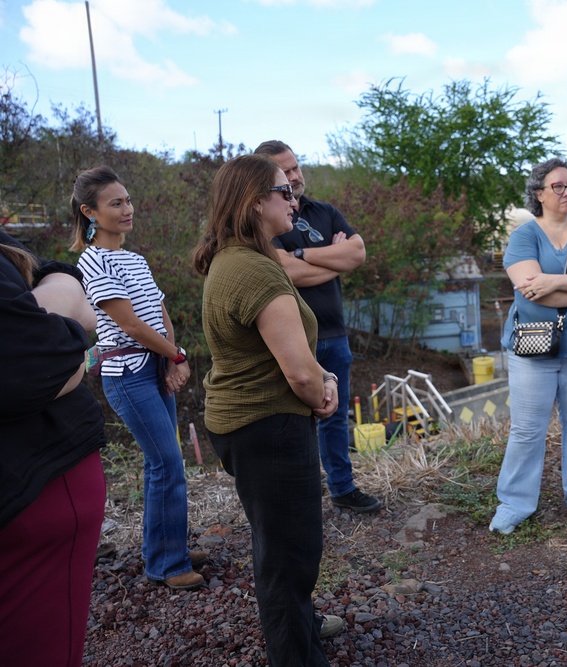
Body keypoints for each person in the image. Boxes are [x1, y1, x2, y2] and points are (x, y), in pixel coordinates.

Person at [194, 154, 344, 666]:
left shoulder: (234, 259)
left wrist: (320, 378)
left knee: (278, 549)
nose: (293, 198)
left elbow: (290, 361)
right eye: (284, 191)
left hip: (250, 424)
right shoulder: (255, 271)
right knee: (290, 559)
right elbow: (299, 372)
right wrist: (322, 391)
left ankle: (300, 638)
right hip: (269, 426)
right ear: (255, 202)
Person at [71, 166, 206, 590]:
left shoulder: (134, 258)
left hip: (154, 365)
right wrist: (178, 355)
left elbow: (158, 310)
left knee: (164, 465)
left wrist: (171, 356)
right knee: (167, 464)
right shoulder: (91, 262)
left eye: (128, 200)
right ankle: (168, 564)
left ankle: (165, 551)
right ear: (89, 211)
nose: (128, 209)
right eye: (116, 203)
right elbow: (129, 324)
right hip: (127, 373)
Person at [489, 157, 567, 535]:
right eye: (558, 186)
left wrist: (554, 282)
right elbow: (533, 294)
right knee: (527, 429)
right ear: (539, 193)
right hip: (533, 349)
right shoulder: (524, 236)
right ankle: (515, 503)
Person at [252, 140, 381, 514]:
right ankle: (297, 499)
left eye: (296, 168)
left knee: (335, 418)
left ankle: (342, 488)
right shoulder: (266, 221)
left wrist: (301, 254)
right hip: (291, 338)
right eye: (285, 172)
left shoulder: (323, 211)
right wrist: (333, 259)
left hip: (334, 334)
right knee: (290, 421)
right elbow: (283, 272)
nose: (295, 176)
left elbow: (357, 253)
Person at [0, 230, 107, 665]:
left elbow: (58, 278)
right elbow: (33, 364)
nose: (128, 209)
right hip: (28, 495)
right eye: (116, 201)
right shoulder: (102, 261)